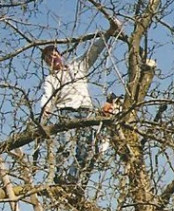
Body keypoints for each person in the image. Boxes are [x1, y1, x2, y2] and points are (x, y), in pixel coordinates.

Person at [40, 18, 122, 184]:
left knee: (85, 148)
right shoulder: (51, 80)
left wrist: (108, 33)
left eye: (53, 55)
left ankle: (72, 178)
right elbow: (47, 99)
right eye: (48, 59)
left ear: (60, 55)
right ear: (47, 63)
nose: (52, 59)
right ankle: (60, 177)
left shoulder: (78, 66)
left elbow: (94, 51)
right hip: (66, 112)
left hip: (85, 110)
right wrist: (42, 121)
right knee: (64, 147)